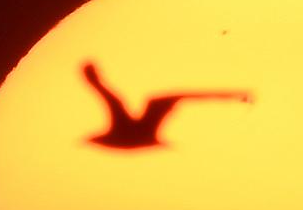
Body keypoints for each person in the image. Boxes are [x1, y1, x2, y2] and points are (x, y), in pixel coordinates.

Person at [81, 62, 250, 149]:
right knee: (159, 101)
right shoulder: (118, 129)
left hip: (145, 138)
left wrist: (94, 80)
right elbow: (112, 99)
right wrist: (94, 80)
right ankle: (236, 96)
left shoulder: (118, 130)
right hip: (146, 137)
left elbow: (112, 99)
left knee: (159, 101)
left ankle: (235, 95)